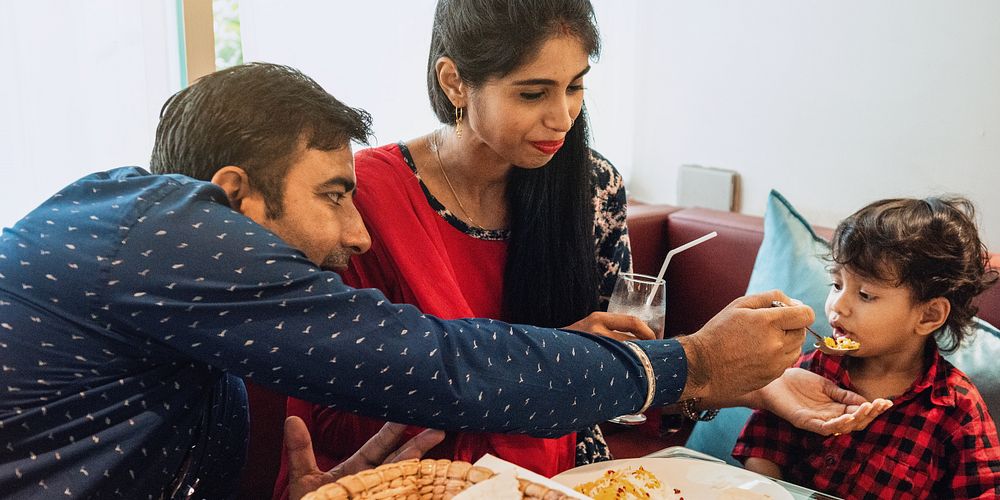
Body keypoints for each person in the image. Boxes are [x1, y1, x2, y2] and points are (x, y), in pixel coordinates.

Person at [0, 62, 881, 500]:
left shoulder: (164, 264)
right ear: (237, 194)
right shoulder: (170, 231)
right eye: (333, 196)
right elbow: (439, 363)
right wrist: (685, 363)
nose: (356, 229)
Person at [277, 0, 639, 487]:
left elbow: (619, 375)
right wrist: (552, 363)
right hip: (407, 483)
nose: (563, 117)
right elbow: (333, 414)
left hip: (559, 476)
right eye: (533, 94)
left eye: (575, 86)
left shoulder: (592, 186)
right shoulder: (362, 199)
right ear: (454, 82)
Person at [734, 197, 1000, 498]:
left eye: (865, 294)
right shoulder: (815, 368)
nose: (839, 305)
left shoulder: (956, 409)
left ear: (928, 315)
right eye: (837, 285)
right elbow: (762, 448)